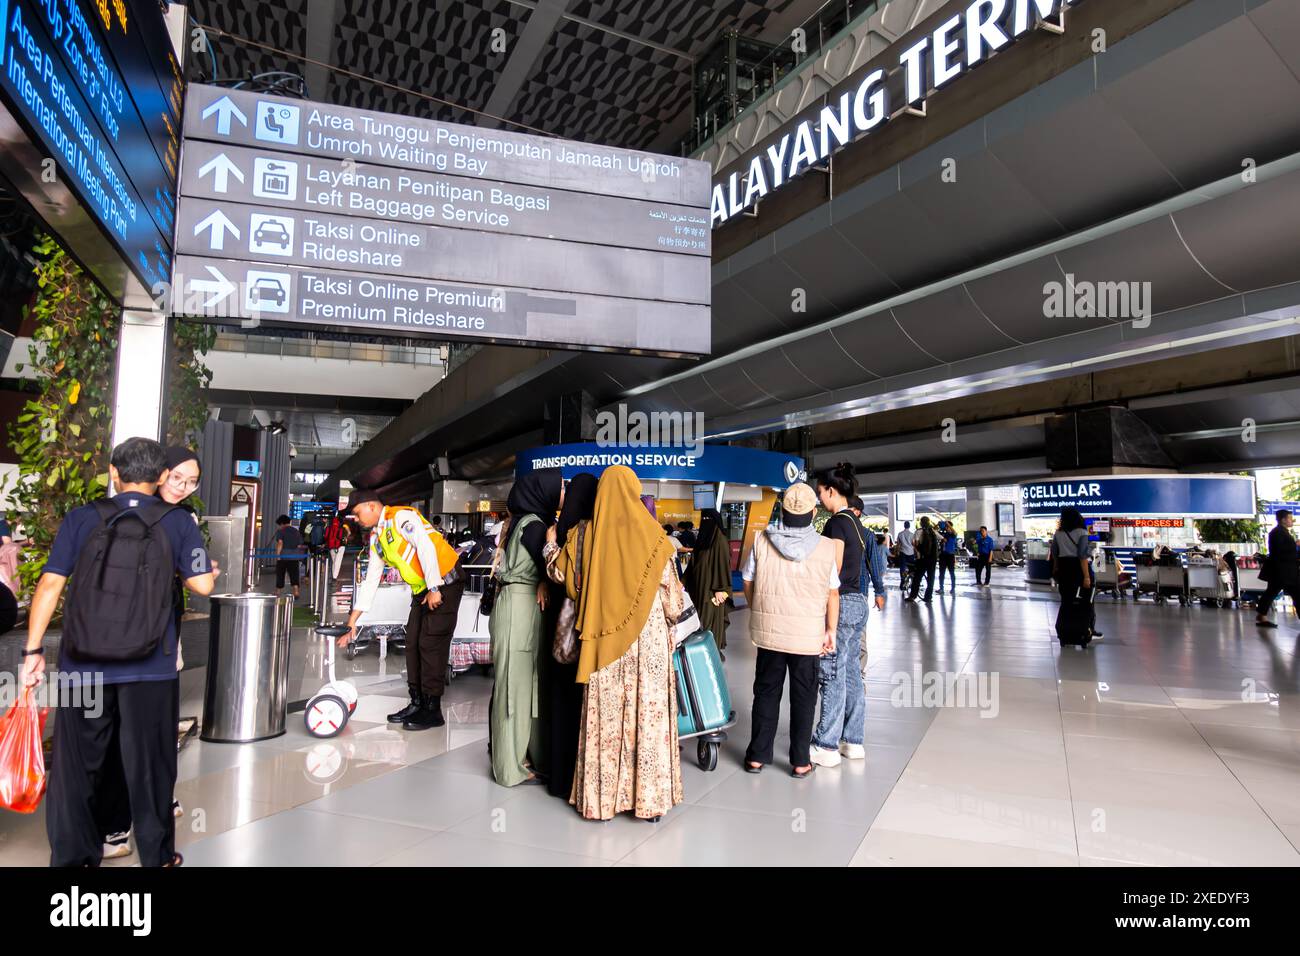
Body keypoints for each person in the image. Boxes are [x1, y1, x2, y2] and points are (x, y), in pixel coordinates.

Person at [22, 438, 214, 867]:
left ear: (113, 472)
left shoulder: (82, 518)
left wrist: (33, 651)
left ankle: (73, 859)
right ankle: (158, 857)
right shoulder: (178, 522)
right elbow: (202, 586)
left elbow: (50, 585)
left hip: (81, 665)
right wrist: (201, 571)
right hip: (152, 666)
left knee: (75, 767)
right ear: (163, 477)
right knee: (151, 765)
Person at [101, 446, 214, 859]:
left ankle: (154, 807)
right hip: (121, 645)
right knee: (121, 737)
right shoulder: (129, 516)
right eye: (177, 478)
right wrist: (196, 576)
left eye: (192, 481)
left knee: (158, 734)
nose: (183, 487)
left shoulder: (181, 519)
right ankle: (117, 827)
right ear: (158, 473)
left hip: (160, 639)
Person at [558, 464, 683, 820]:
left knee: (607, 722)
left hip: (604, 641)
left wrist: (553, 545)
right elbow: (673, 601)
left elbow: (566, 581)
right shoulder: (656, 537)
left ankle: (601, 803)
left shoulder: (584, 535)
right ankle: (648, 802)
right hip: (650, 640)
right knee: (649, 715)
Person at [337, 489, 467, 730]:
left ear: (372, 507)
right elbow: (371, 580)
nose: (357, 519)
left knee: (430, 643)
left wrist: (435, 587)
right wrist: (352, 621)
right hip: (423, 589)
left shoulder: (401, 518)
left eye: (357, 513)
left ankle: (432, 709)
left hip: (444, 582)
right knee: (413, 644)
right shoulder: (377, 538)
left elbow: (426, 547)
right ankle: (417, 703)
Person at [742, 483, 840, 779]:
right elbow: (832, 594)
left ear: (782, 510)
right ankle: (800, 761)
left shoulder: (761, 540)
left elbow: (748, 581)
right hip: (807, 635)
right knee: (804, 696)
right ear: (813, 513)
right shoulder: (826, 547)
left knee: (766, 691)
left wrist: (760, 609)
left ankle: (757, 757)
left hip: (770, 633)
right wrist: (830, 630)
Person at [489, 469, 564, 786]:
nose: (563, 492)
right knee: (513, 688)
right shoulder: (534, 526)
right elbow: (554, 568)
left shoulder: (521, 522)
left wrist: (542, 583)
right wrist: (546, 581)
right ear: (543, 491)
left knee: (524, 684)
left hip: (518, 606)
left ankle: (524, 756)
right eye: (560, 487)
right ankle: (509, 768)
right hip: (519, 610)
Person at [542, 473, 598, 800]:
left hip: (563, 630)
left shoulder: (569, 534)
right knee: (582, 706)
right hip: (591, 634)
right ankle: (580, 781)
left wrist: (550, 545)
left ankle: (559, 778)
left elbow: (558, 574)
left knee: (560, 702)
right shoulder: (599, 532)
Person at [809, 463, 869, 769]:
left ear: (832, 491)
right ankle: (852, 741)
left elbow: (831, 572)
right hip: (859, 601)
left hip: (842, 602)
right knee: (850, 673)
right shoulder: (857, 524)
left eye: (820, 492)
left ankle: (826, 744)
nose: (819, 498)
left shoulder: (836, 524)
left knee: (831, 672)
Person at [683, 508, 731, 656]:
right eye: (703, 520)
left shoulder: (719, 541)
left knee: (709, 623)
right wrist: (682, 582)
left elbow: (723, 564)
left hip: (711, 592)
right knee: (699, 621)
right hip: (698, 591)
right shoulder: (703, 541)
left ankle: (711, 653)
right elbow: (692, 566)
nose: (705, 523)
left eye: (708, 520)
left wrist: (721, 588)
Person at [1051, 506, 1102, 641]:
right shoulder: (1082, 532)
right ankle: (1088, 629)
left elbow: (1054, 553)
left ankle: (1066, 631)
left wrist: (1056, 570)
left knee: (1066, 601)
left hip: (1063, 569)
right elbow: (1082, 556)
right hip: (1078, 570)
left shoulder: (1058, 534)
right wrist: (1086, 576)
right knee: (1086, 601)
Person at [1256, 510, 1300, 629]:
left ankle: (1261, 615)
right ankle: (1261, 615)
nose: (1292, 520)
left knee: (1273, 592)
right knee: (1291, 592)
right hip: (1282, 571)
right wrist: (1295, 546)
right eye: (1290, 518)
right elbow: (1279, 551)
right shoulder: (1278, 533)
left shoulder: (1282, 532)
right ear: (1283, 519)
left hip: (1285, 571)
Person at [906, 516, 939, 603]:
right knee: (931, 578)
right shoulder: (933, 531)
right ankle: (928, 597)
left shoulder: (919, 531)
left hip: (923, 559)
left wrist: (918, 552)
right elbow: (944, 539)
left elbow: (915, 543)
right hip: (933, 559)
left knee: (917, 578)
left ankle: (913, 596)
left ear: (921, 523)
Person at [272, 515, 304, 600]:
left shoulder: (281, 531)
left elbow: (280, 543)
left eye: (279, 524)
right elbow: (300, 544)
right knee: (294, 574)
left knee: (280, 574)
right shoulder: (296, 531)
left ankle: (278, 591)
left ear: (281, 523)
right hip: (294, 556)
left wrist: (278, 555)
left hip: (283, 556)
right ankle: (296, 591)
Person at [324, 511, 349, 579]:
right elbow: (346, 536)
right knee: (337, 562)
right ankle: (334, 577)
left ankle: (334, 576)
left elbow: (326, 537)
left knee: (334, 561)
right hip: (340, 546)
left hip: (331, 546)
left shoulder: (329, 527)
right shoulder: (343, 527)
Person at [937, 520, 958, 593]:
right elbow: (934, 531)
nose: (946, 528)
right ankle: (941, 588)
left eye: (948, 527)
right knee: (941, 572)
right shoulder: (944, 534)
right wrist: (938, 525)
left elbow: (954, 532)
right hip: (943, 555)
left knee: (951, 572)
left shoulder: (952, 535)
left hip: (950, 555)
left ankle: (953, 588)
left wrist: (948, 525)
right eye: (946, 527)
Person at [896, 519, 916, 591]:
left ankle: (902, 583)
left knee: (902, 568)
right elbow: (914, 544)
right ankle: (912, 583)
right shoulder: (912, 534)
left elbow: (898, 544)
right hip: (911, 553)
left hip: (903, 552)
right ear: (909, 526)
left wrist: (897, 552)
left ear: (904, 526)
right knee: (912, 568)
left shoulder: (900, 534)